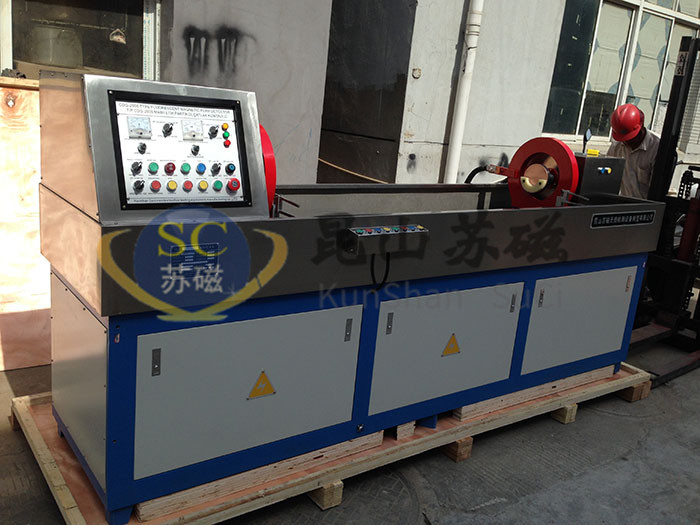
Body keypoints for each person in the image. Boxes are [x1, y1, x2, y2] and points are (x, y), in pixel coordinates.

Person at [607, 103, 660, 199]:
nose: (626, 142)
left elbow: (657, 191)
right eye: (623, 139)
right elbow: (607, 177)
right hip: (621, 203)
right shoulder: (616, 147)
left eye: (630, 138)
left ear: (641, 128)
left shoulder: (656, 148)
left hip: (646, 205)